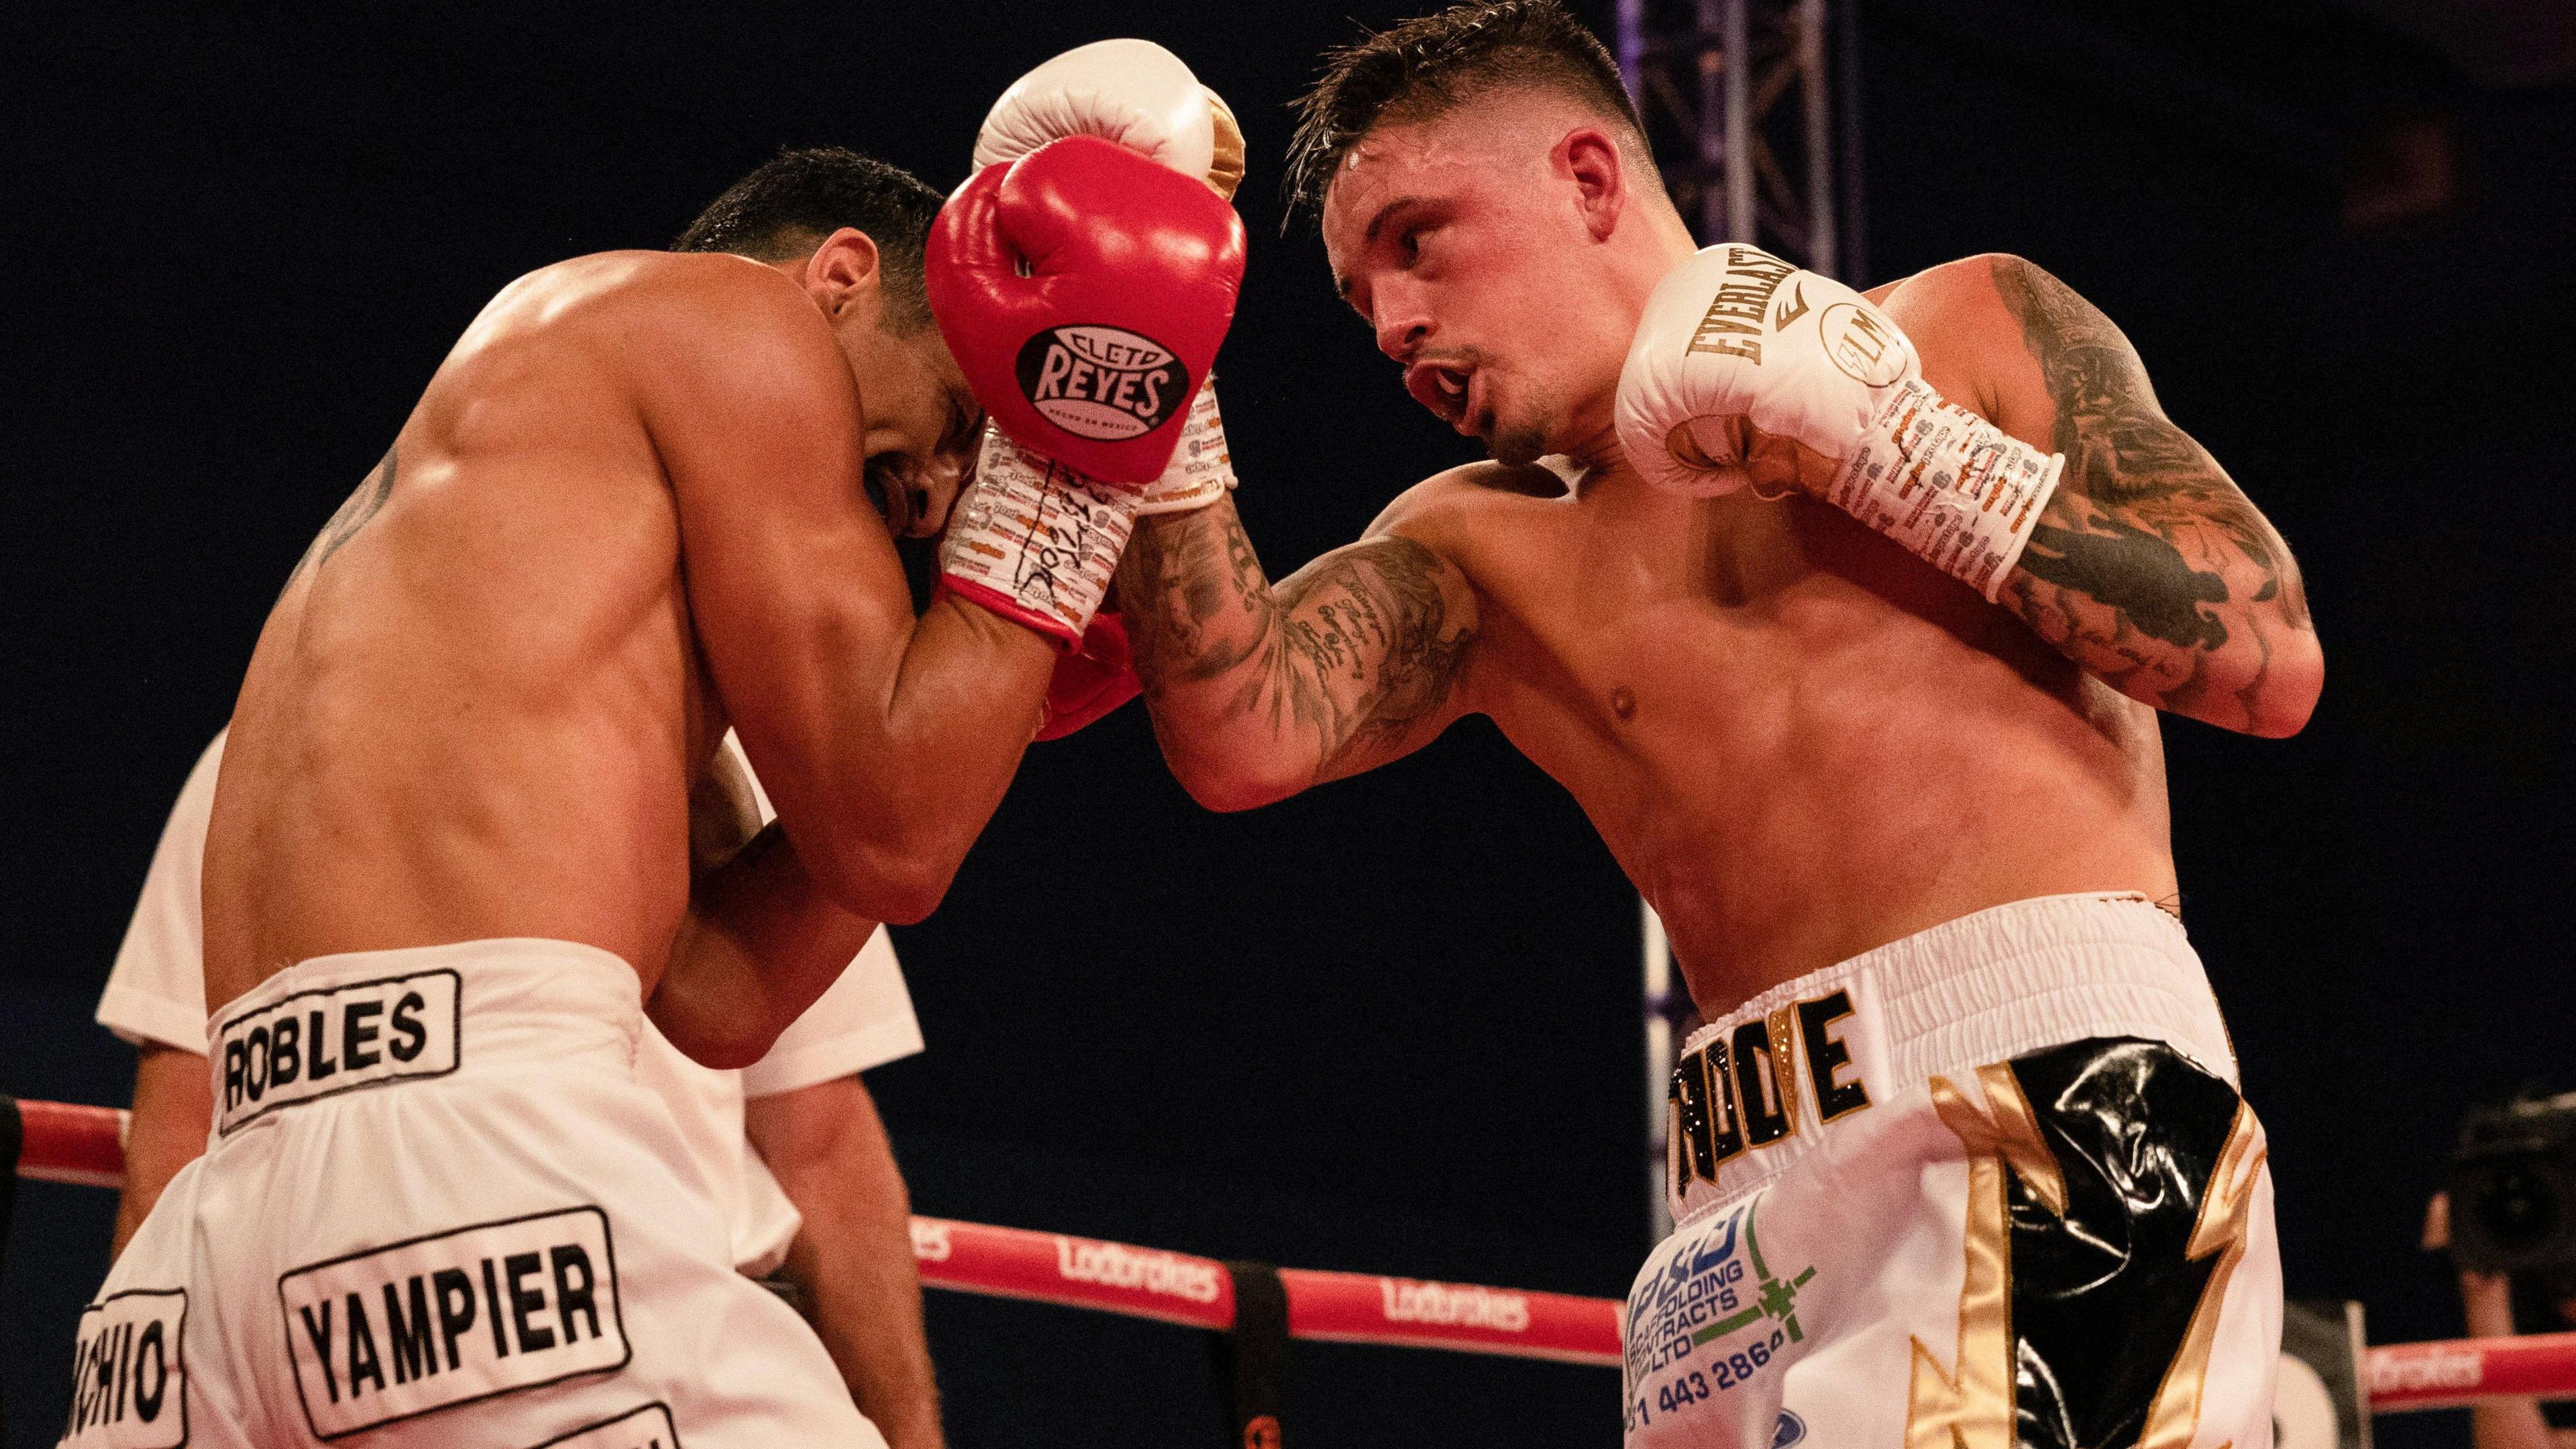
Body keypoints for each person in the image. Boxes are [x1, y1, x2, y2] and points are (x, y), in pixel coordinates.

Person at [1070, 3, 2322, 1446]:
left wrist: (1901, 451)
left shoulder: (1960, 329)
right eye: (1362, 303)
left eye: (1419, 240)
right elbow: (1240, 731)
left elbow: (2264, 654)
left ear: (1591, 181)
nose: (1398, 325)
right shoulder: (1480, 551)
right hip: (1733, 1219)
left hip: (2049, 1108)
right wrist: (1152, 373)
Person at [61, 136, 1242, 1449]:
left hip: (206, 1285)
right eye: (962, 416)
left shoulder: (529, 544)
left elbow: (719, 995)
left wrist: (999, 710)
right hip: (481, 1200)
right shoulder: (731, 314)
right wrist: (1065, 470)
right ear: (840, 277)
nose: (931, 498)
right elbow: (900, 838)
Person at [100, 727, 945, 1449]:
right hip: (422, 1315)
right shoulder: (263, 761)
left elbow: (824, 1151)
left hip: (656, 1316)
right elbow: (177, 1143)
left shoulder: (761, 779)